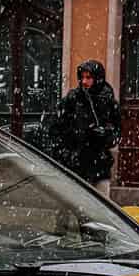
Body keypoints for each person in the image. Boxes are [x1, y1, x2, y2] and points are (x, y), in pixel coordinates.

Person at [52, 60, 122, 195]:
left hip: (100, 163)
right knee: (75, 204)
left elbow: (117, 131)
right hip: (76, 163)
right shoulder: (72, 99)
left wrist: (106, 134)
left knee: (102, 204)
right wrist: (66, 154)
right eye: (82, 77)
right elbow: (57, 128)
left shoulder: (109, 101)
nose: (84, 81)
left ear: (97, 78)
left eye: (88, 78)